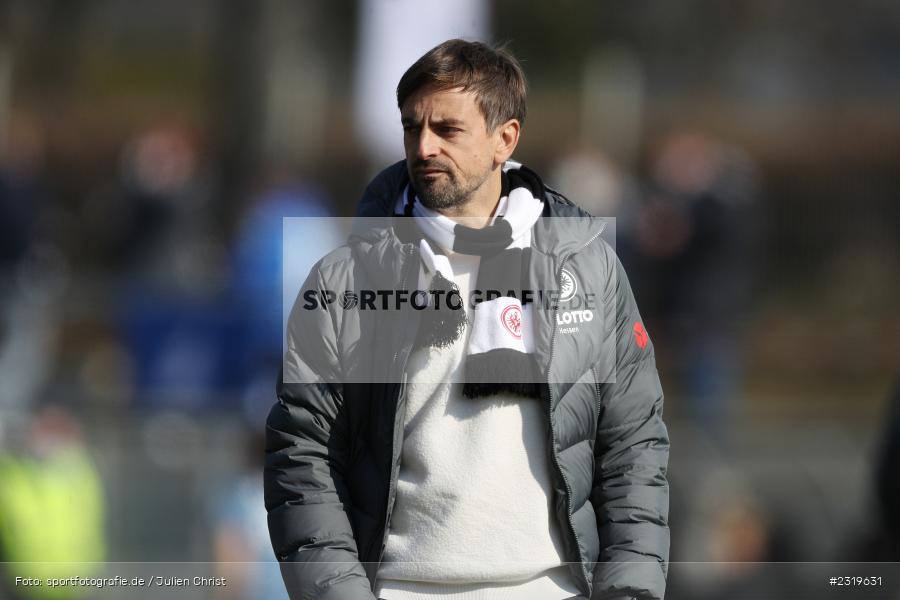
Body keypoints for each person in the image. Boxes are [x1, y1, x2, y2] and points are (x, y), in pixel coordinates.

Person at [265, 39, 670, 600]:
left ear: (505, 139)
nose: (423, 146)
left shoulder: (589, 266)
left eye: (447, 130)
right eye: (412, 127)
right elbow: (302, 455)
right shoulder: (345, 279)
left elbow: (633, 442)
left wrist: (632, 589)